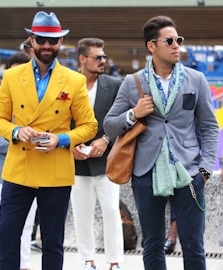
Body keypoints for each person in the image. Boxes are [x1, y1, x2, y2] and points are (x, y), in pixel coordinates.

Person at [104, 15, 219, 270]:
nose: (176, 45)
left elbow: (210, 127)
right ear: (151, 46)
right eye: (169, 41)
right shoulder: (133, 83)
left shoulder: (195, 80)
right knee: (153, 243)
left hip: (189, 173)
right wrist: (134, 113)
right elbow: (110, 124)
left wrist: (206, 168)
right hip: (146, 173)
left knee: (193, 245)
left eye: (178, 40)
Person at [0, 11, 97, 270]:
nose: (47, 46)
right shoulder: (12, 77)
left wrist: (60, 139)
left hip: (56, 169)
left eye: (53, 40)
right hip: (19, 169)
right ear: (31, 41)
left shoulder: (74, 80)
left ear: (60, 42)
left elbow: (89, 126)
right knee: (6, 236)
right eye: (41, 40)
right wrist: (17, 132)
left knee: (52, 241)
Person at [71, 38, 124, 270]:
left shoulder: (114, 84)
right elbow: (58, 119)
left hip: (108, 161)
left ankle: (115, 262)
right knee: (82, 213)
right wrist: (69, 145)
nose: (103, 61)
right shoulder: (68, 83)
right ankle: (87, 259)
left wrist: (106, 139)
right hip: (76, 160)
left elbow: (123, 119)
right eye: (98, 57)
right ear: (83, 59)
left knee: (112, 211)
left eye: (104, 56)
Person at [0, 52, 37, 270]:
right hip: (3, 173)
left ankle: (24, 265)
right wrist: (18, 143)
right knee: (4, 224)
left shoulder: (38, 102)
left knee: (28, 223)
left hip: (33, 170)